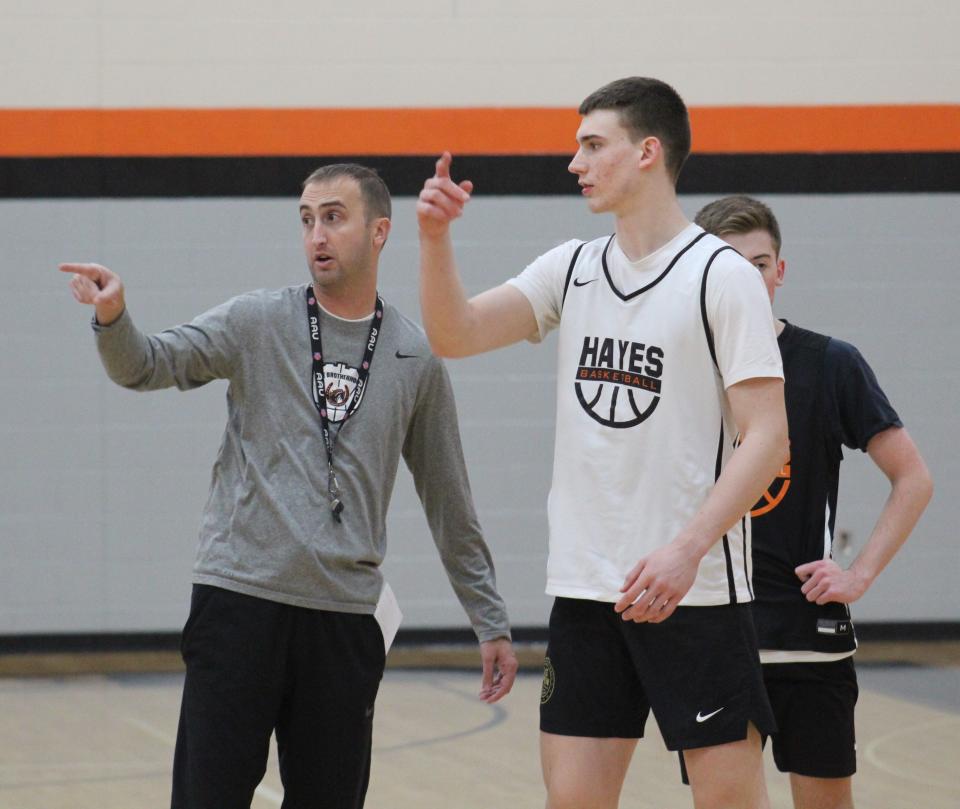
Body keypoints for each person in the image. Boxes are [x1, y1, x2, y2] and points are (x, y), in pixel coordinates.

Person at [59, 163, 518, 809]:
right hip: (239, 603)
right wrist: (113, 316)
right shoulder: (257, 320)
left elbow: (449, 498)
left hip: (344, 621)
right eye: (306, 219)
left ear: (380, 229)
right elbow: (147, 364)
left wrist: (489, 617)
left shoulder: (416, 357)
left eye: (333, 215)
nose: (316, 234)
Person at [417, 77, 789, 809]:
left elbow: (768, 437)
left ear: (648, 151)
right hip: (589, 591)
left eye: (593, 144)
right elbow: (453, 333)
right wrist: (434, 241)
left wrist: (685, 550)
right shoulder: (573, 267)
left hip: (699, 593)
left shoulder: (720, 275)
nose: (574, 162)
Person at [694, 195, 934, 809]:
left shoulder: (829, 364)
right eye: (730, 265)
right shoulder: (682, 371)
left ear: (781, 271)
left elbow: (913, 478)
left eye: (761, 263)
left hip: (808, 638)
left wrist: (859, 575)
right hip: (714, 635)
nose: (749, 280)